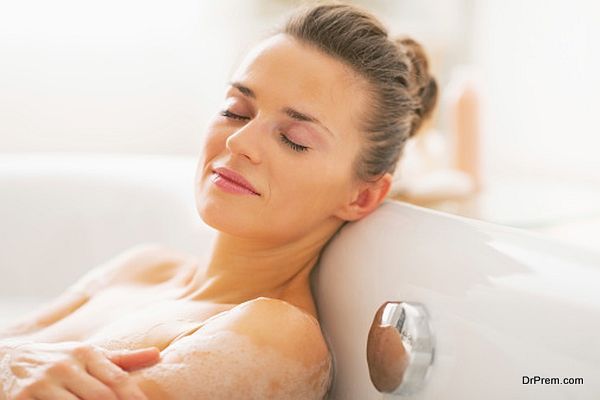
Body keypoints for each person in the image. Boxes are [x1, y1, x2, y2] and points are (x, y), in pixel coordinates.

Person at [0, 2, 438, 399]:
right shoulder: (145, 268)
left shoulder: (275, 335)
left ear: (362, 196)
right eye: (236, 111)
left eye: (293, 139)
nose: (241, 141)